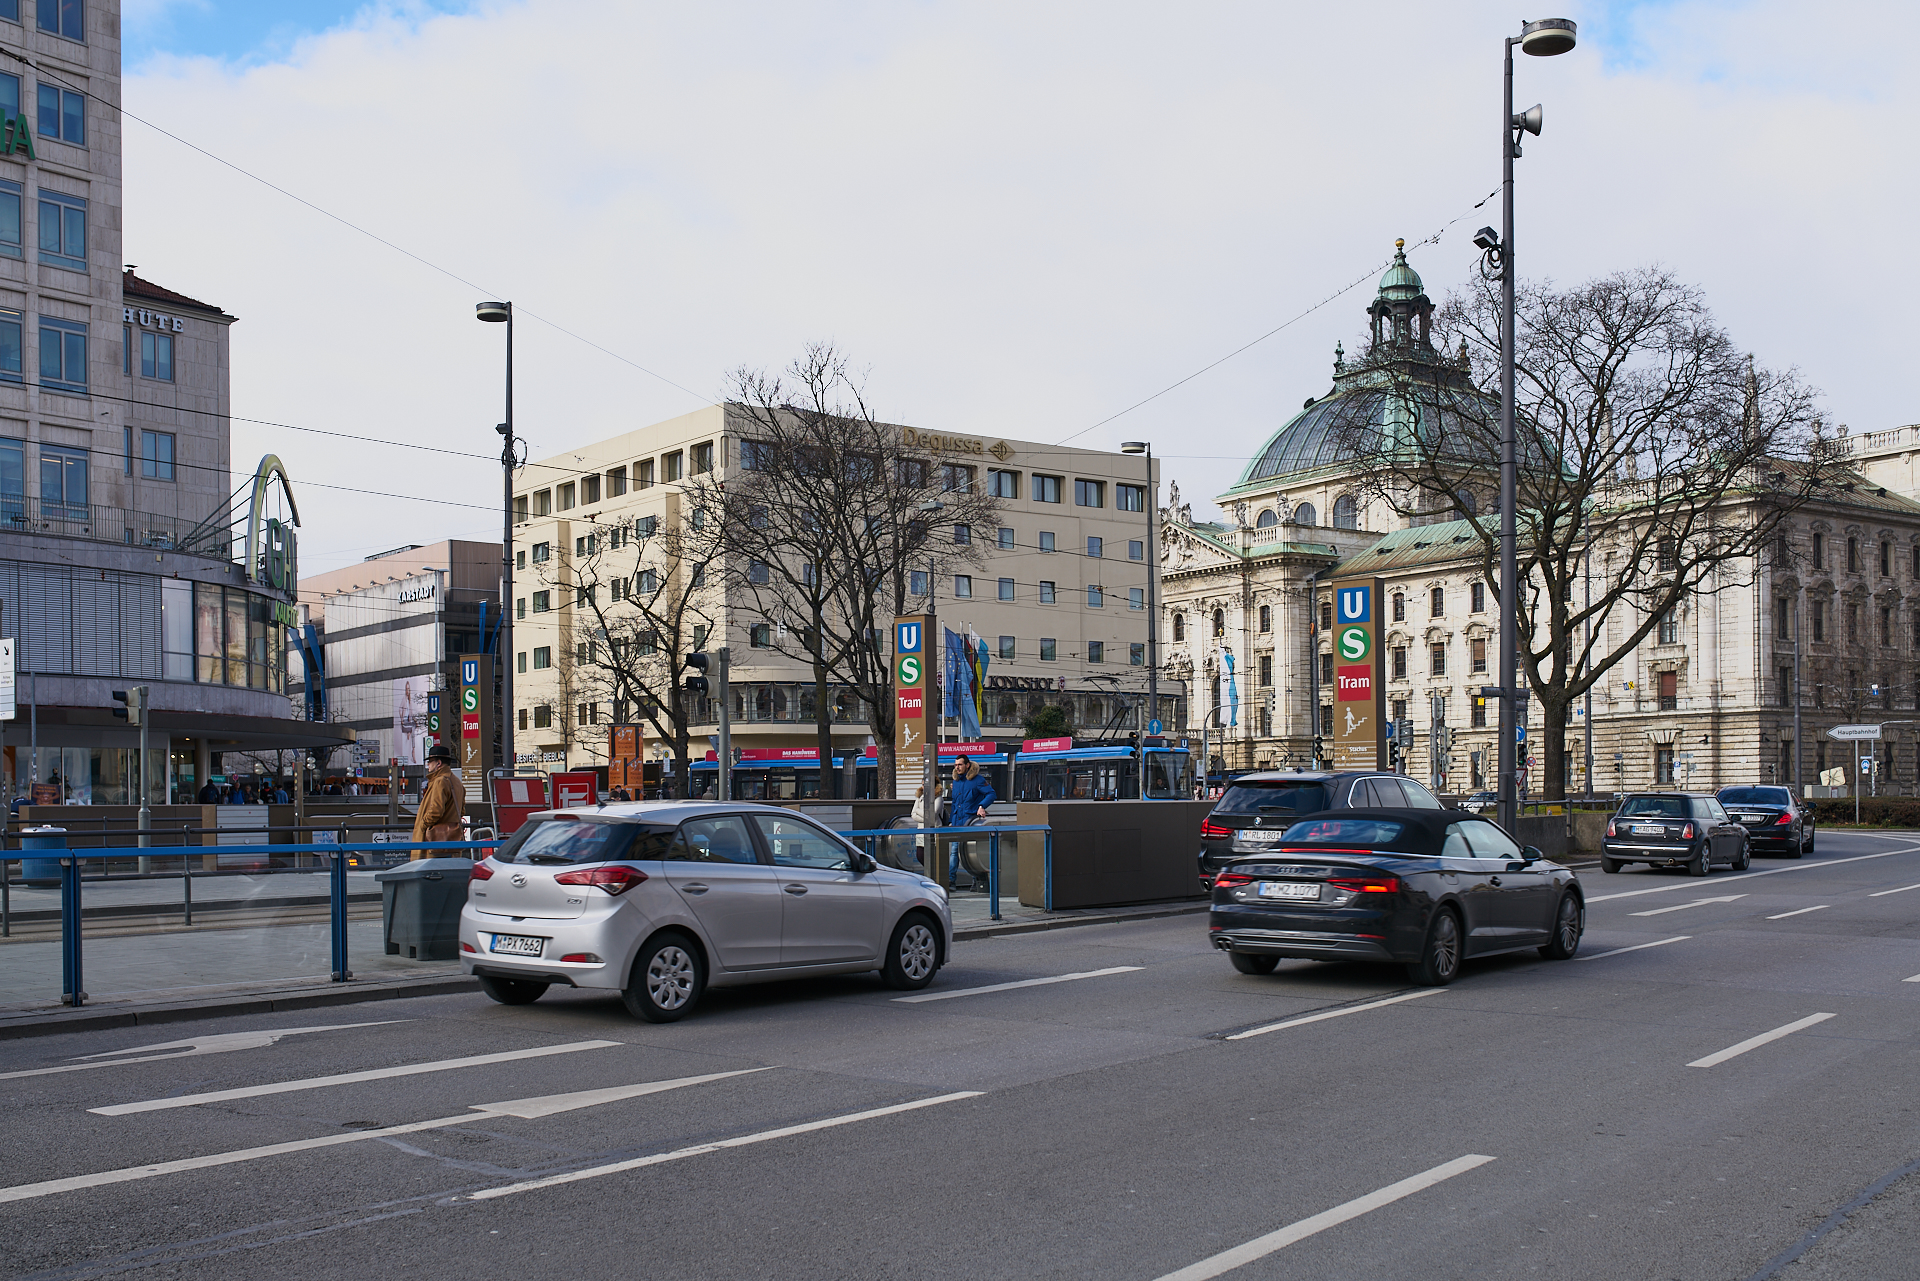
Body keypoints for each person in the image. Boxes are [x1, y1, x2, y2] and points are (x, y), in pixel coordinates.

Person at [947, 756, 997, 888]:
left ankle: (976, 880)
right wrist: (951, 820)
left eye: (960, 764)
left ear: (967, 765)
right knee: (955, 851)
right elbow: (955, 803)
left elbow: (991, 794)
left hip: (970, 821)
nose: (957, 767)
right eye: (956, 765)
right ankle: (951, 880)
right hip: (958, 822)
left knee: (969, 852)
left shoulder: (978, 780)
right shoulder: (956, 780)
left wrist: (981, 806)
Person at [412, 742, 466, 860]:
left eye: (430, 762)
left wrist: (422, 825)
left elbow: (435, 811)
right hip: (452, 839)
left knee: (429, 873)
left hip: (435, 841)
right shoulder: (456, 782)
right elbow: (461, 811)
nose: (428, 765)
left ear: (438, 763)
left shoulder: (440, 781)